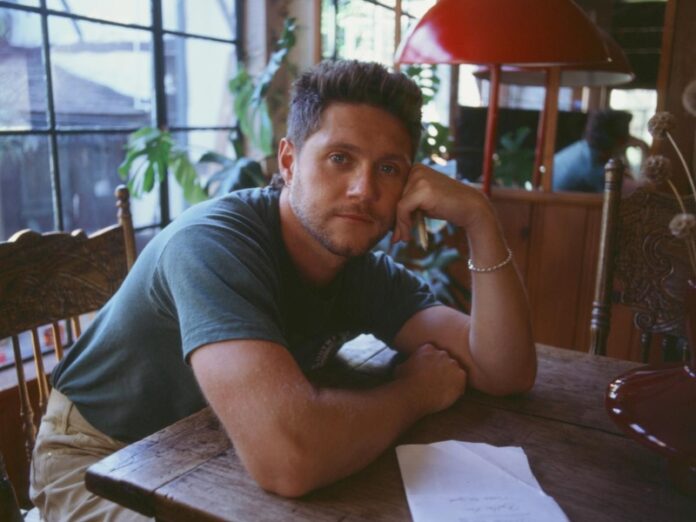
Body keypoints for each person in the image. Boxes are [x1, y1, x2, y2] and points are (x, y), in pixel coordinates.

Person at [30, 60, 536, 520]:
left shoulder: (359, 267)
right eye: (340, 158)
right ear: (289, 162)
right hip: (102, 459)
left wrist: (480, 219)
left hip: (211, 449)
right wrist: (415, 393)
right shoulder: (213, 244)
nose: (364, 189)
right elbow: (290, 460)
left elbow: (502, 370)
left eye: (388, 168)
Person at [552, 109, 647, 193]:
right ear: (619, 140)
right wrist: (644, 147)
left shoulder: (584, 147)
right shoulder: (592, 165)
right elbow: (639, 190)